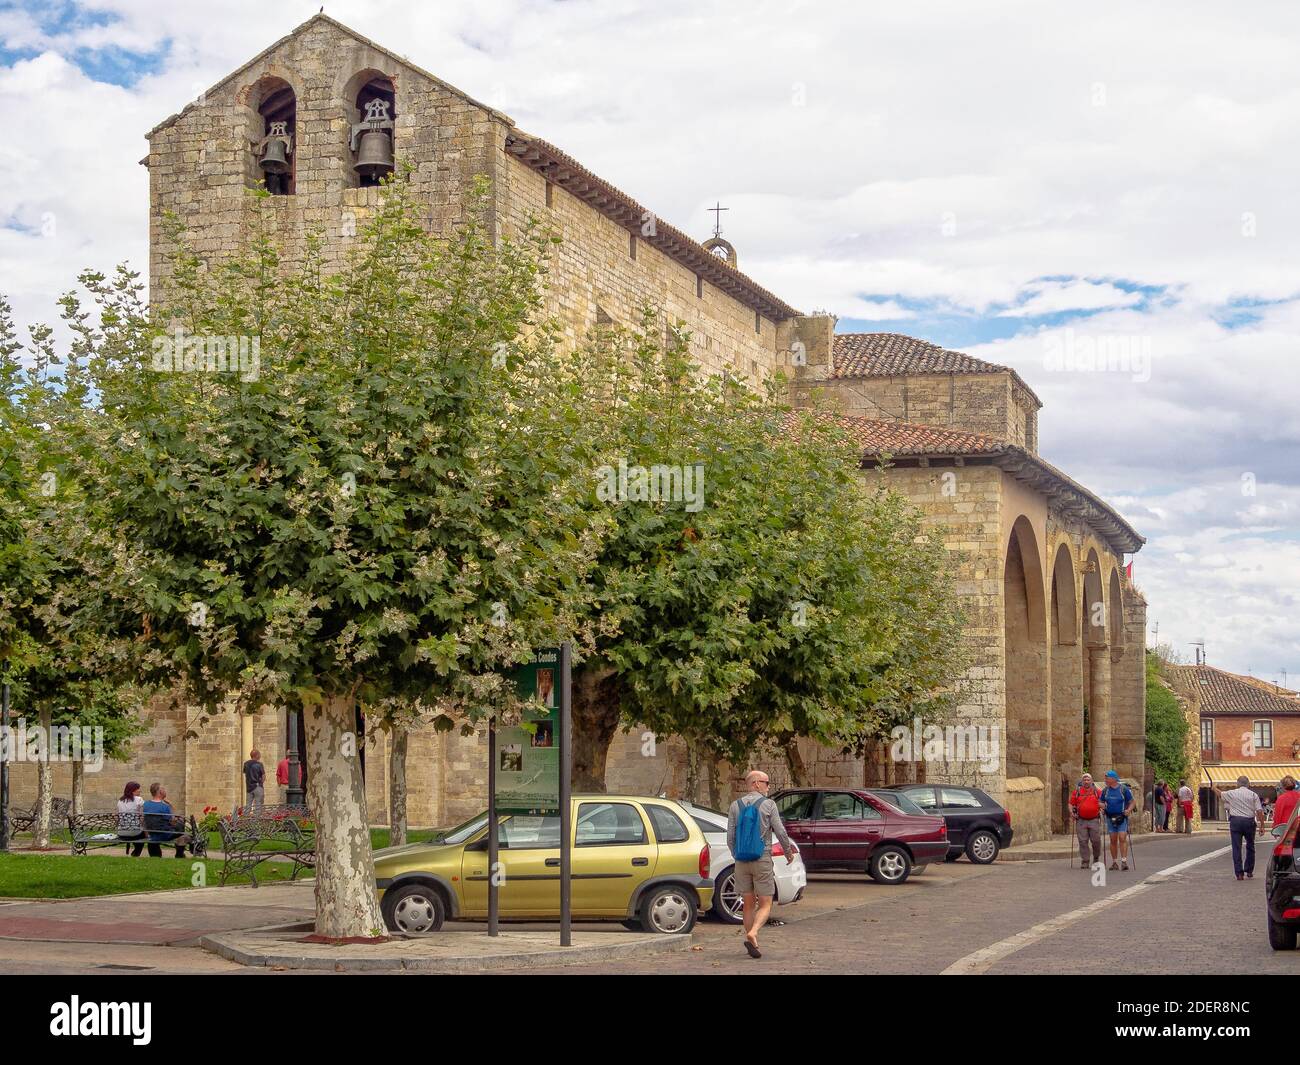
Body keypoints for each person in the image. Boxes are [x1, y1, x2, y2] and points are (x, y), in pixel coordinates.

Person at [726, 770, 795, 959]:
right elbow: (780, 831)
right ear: (756, 783)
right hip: (762, 858)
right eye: (766, 782)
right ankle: (754, 932)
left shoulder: (735, 805)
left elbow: (730, 837)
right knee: (765, 903)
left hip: (741, 860)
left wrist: (736, 855)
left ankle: (752, 943)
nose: (768, 786)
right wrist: (788, 852)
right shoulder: (768, 804)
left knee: (748, 904)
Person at [1221, 774, 1265, 880]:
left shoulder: (1232, 793)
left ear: (1237, 784)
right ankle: (1249, 870)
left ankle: (1239, 873)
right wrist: (1262, 826)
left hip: (1235, 821)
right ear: (1248, 784)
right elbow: (1259, 811)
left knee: (1236, 847)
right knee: (1250, 846)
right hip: (1249, 822)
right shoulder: (1253, 795)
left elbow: (1221, 794)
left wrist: (1214, 788)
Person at [1100, 770, 1135, 871]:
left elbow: (1132, 802)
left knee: (1122, 837)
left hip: (1121, 817)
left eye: (1107, 778)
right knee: (1113, 839)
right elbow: (1100, 802)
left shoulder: (1123, 789)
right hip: (1110, 817)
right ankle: (1114, 862)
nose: (1105, 780)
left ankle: (1124, 861)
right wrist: (1101, 807)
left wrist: (1128, 810)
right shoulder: (1105, 790)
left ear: (1113, 779)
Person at [142, 783, 187, 858]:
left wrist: (147, 834)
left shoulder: (146, 804)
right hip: (165, 834)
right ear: (160, 792)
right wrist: (171, 805)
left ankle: (155, 854)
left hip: (152, 835)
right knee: (181, 826)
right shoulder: (165, 807)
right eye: (164, 789)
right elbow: (172, 822)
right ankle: (180, 853)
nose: (165, 791)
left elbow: (144, 821)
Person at [1069, 772, 1104, 869]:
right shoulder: (1077, 792)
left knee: (1096, 841)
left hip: (1094, 819)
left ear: (1091, 781)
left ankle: (1096, 858)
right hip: (1081, 820)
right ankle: (1085, 861)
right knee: (1082, 841)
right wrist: (1072, 812)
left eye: (1088, 780)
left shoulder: (1097, 792)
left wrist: (1103, 807)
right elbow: (1071, 803)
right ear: (1082, 781)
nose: (1086, 781)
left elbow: (1104, 802)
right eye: (1084, 780)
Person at [117, 781, 146, 857]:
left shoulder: (120, 800)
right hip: (135, 833)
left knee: (137, 829)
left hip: (121, 832)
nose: (140, 790)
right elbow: (144, 814)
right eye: (138, 789)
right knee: (142, 833)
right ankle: (136, 853)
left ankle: (135, 852)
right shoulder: (139, 799)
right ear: (133, 790)